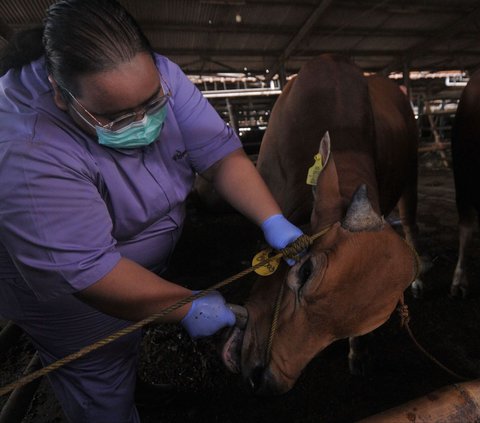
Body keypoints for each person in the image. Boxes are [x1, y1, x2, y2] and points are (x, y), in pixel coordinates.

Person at [0, 1, 304, 422]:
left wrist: (273, 220)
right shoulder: (26, 150)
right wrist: (186, 306)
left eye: (151, 102)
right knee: (98, 376)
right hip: (74, 295)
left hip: (137, 264)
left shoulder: (155, 73)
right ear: (59, 93)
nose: (143, 121)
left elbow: (219, 155)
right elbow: (89, 271)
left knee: (126, 341)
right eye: (116, 116)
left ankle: (132, 382)